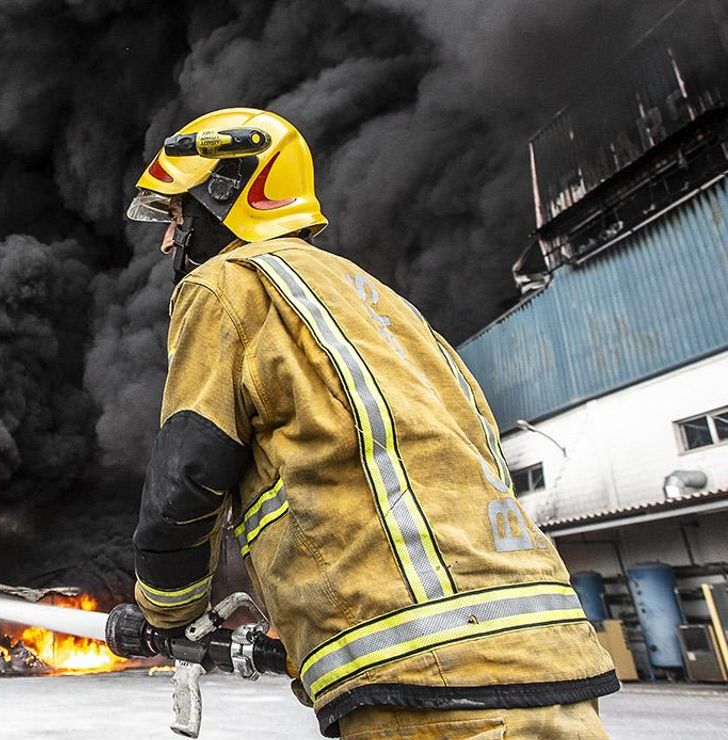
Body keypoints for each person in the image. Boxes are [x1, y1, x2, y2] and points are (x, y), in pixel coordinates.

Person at [124, 108, 617, 738]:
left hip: (427, 677)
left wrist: (169, 613)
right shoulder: (382, 302)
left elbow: (186, 477)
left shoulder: (229, 284)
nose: (168, 242)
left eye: (175, 216)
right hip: (556, 657)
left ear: (225, 193)